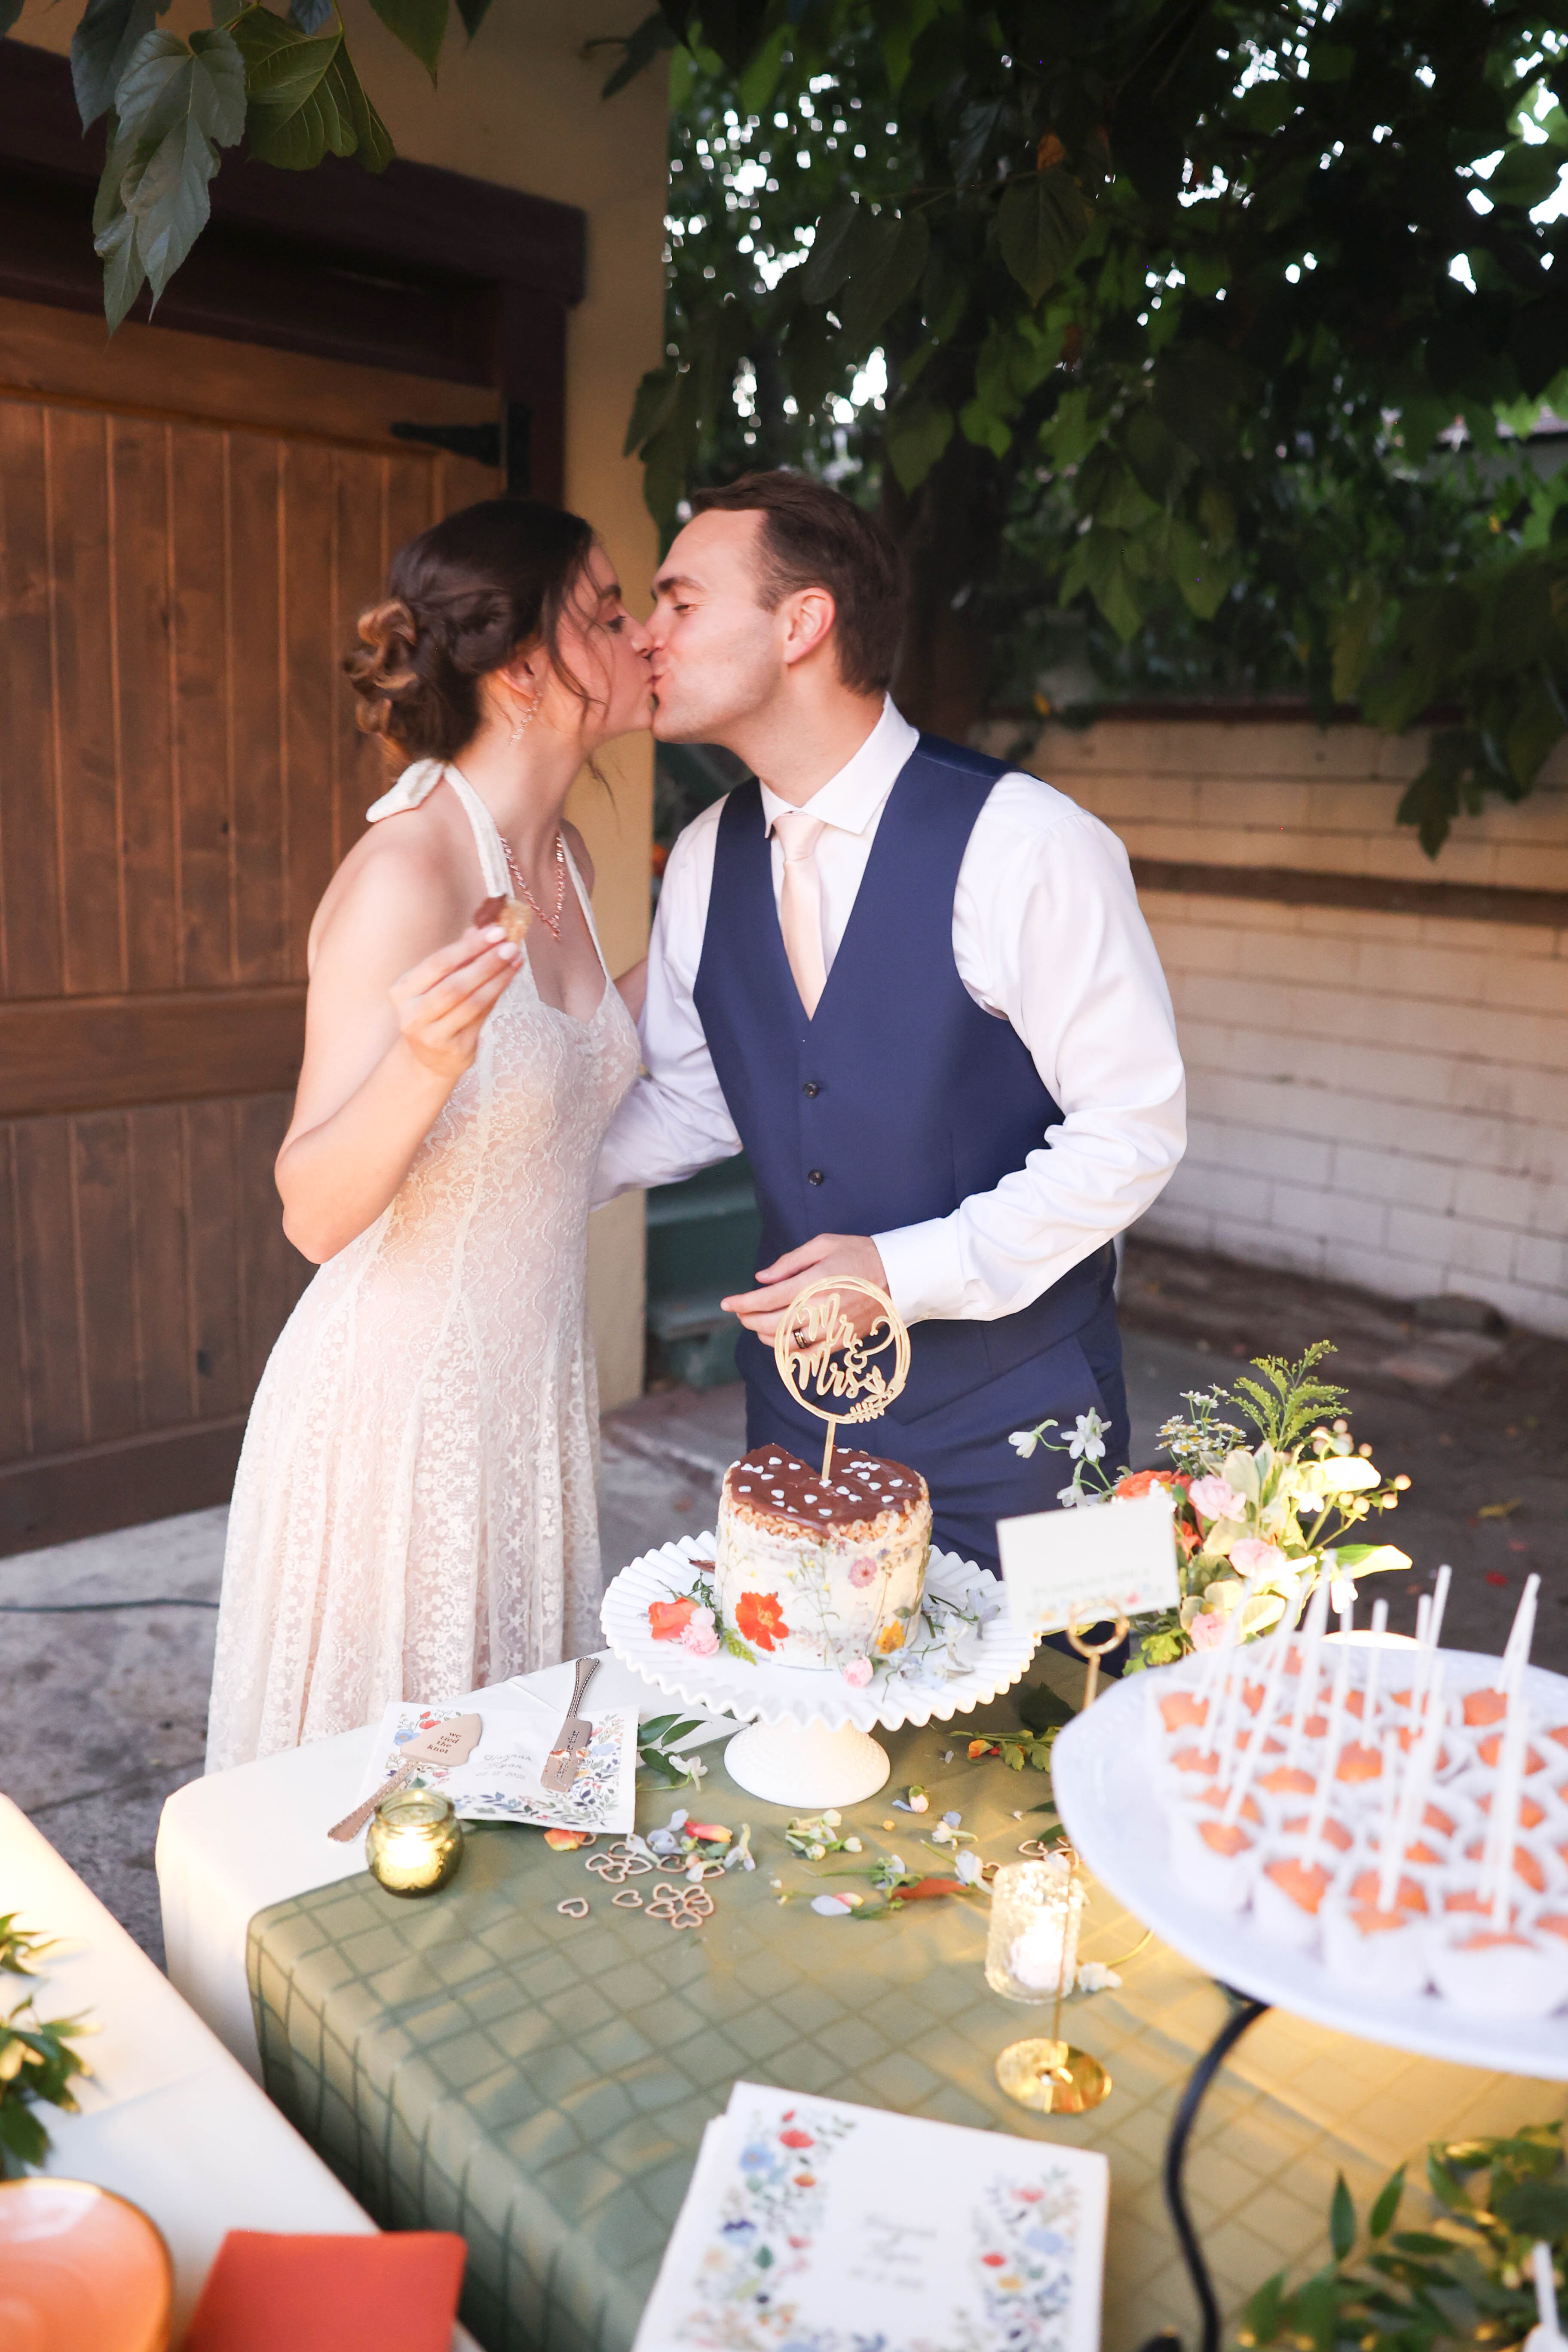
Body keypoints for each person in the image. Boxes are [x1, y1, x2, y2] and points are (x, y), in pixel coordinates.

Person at [594, 471, 1185, 1577]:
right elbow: (694, 1100)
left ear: (802, 623)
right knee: (810, 1735)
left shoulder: (1028, 843)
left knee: (1047, 1731)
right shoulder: (706, 858)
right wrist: (503, 1180)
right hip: (797, 1431)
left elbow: (1135, 1127)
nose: (647, 638)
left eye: (681, 603)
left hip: (1026, 1424)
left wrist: (898, 1272)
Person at [205, 500, 648, 1771]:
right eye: (607, 614)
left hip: (532, 1408)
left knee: (503, 1796)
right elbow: (313, 1210)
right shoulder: (406, 873)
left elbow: (565, 1089)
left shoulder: (563, 865)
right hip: (395, 1432)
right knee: (374, 1815)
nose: (634, 638)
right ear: (522, 671)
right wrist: (425, 1060)